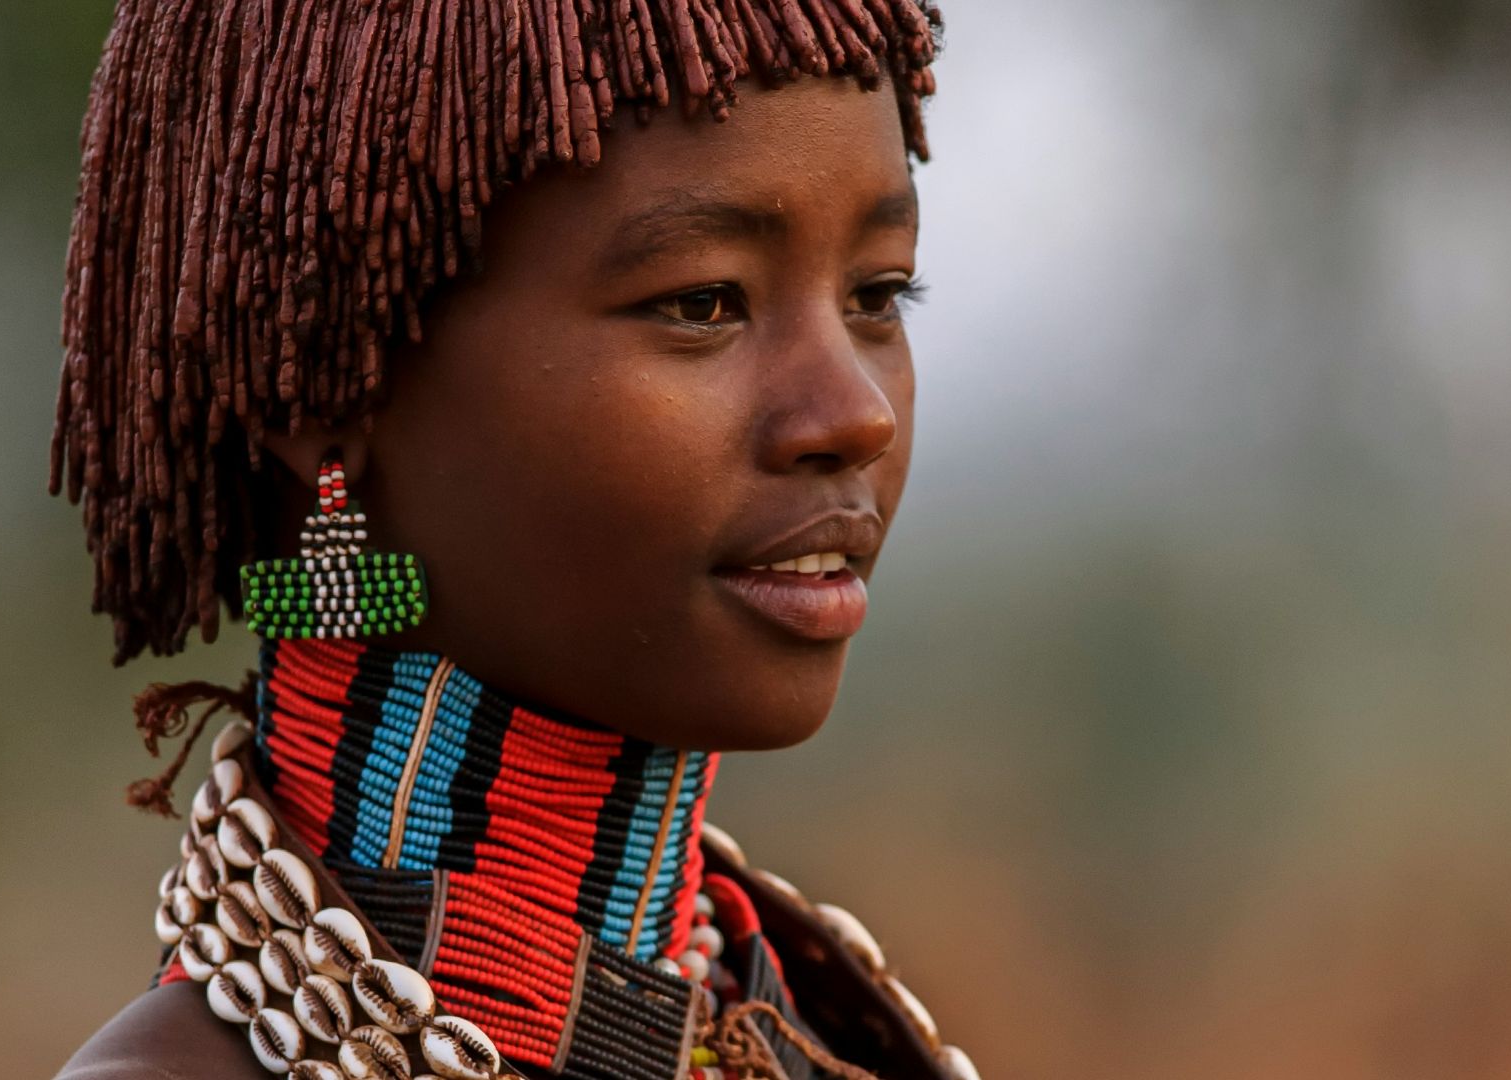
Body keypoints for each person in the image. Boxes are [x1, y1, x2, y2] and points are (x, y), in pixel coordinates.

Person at [51, 1, 974, 1077]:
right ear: (321, 389)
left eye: (878, 293)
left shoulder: (820, 1031)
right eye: (705, 302)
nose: (856, 413)